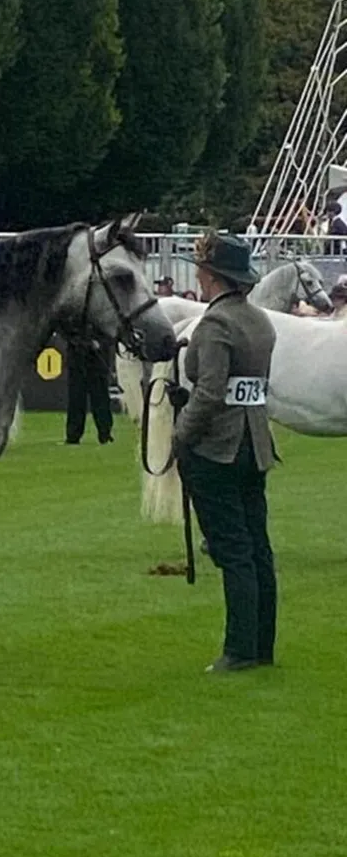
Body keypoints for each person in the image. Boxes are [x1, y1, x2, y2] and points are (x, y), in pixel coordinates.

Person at [173, 232, 278, 674]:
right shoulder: (260, 321)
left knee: (233, 549)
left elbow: (211, 391)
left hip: (218, 447)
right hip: (255, 442)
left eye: (201, 270)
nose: (198, 276)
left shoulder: (216, 324)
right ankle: (261, 645)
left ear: (212, 276)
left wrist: (182, 434)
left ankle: (239, 649)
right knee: (257, 547)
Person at [64, 331, 114, 446]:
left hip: (97, 360)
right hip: (78, 358)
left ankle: (105, 434)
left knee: (100, 399)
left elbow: (109, 333)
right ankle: (73, 436)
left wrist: (99, 343)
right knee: (76, 399)